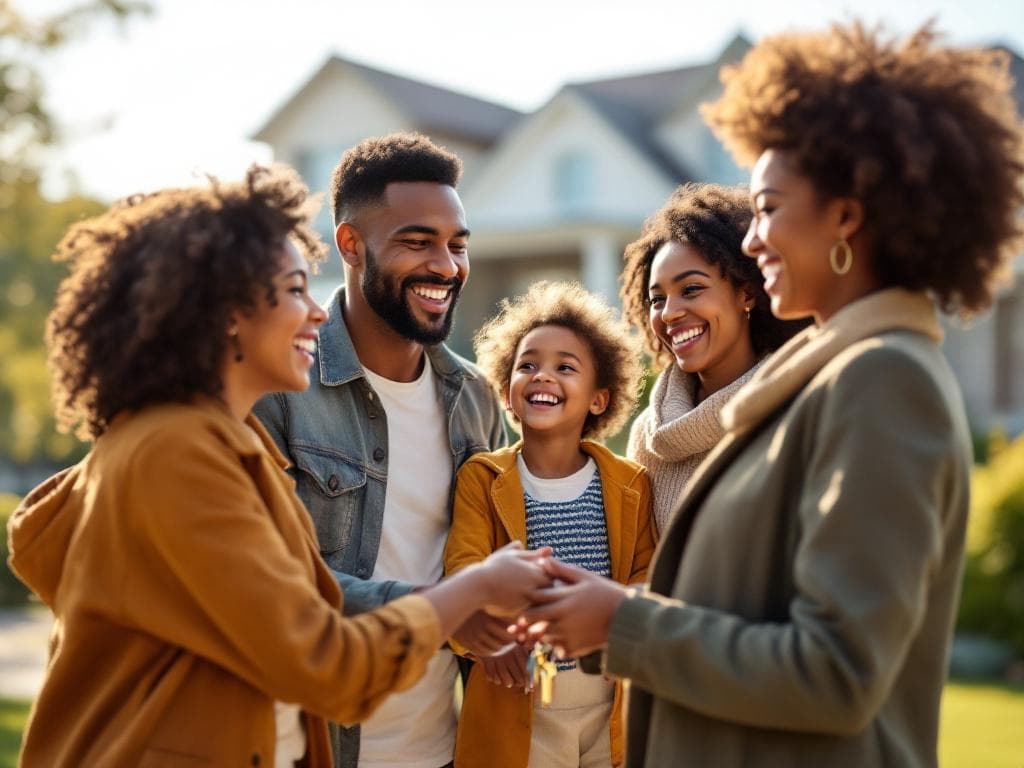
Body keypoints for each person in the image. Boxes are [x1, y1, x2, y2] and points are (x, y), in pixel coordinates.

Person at [517, 22, 1024, 767]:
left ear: (846, 216)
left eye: (768, 207)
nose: (752, 242)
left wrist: (621, 621)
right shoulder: (823, 380)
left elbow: (835, 673)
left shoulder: (884, 381)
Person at [5, 165, 552, 767]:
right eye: (294, 289)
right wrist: (469, 592)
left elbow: (299, 607)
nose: (315, 314)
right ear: (226, 313)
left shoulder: (232, 450)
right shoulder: (176, 455)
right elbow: (327, 660)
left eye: (457, 244)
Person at [253, 133, 506, 768]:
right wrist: (445, 609)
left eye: (457, 245)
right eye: (418, 242)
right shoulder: (281, 389)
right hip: (318, 747)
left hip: (443, 748)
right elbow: (276, 585)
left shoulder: (475, 398)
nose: (446, 266)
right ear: (351, 245)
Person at [445, 281, 654, 768]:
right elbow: (462, 570)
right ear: (507, 393)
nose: (543, 376)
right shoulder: (483, 477)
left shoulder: (629, 483)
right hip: (518, 697)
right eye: (527, 365)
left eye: (565, 367)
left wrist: (616, 626)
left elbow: (647, 575)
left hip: (608, 699)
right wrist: (486, 639)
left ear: (599, 399)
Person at [621, 183, 808, 535]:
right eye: (657, 299)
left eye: (691, 289)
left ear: (747, 292)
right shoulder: (646, 435)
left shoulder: (796, 410)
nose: (670, 313)